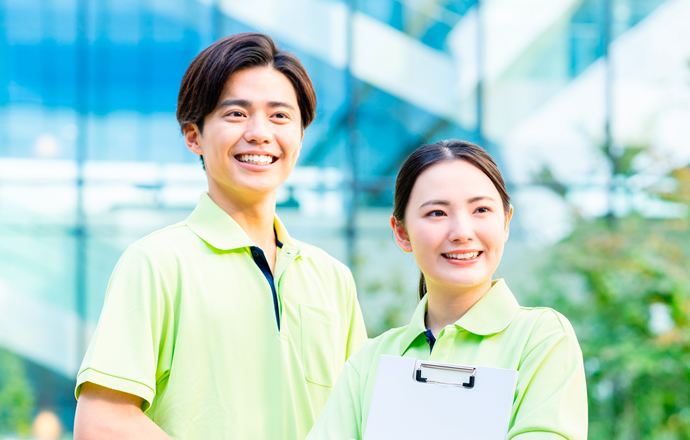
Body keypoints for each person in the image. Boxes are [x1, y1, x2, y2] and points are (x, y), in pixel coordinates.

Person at [73, 33, 367, 440]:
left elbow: (362, 418)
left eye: (280, 116)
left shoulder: (334, 279)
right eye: (236, 114)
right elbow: (102, 423)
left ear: (301, 136)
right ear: (194, 135)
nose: (260, 133)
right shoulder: (157, 262)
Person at [306, 140, 588, 439]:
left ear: (505, 222)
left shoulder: (541, 339)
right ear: (402, 233)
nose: (462, 233)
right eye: (437, 213)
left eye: (481, 209)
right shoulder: (369, 362)